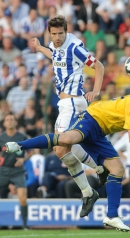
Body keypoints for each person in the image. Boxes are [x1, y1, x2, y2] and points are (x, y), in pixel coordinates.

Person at [6, 85, 130, 231]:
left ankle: (112, 216)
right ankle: (21, 145)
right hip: (92, 119)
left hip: (101, 132)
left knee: (118, 169)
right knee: (67, 140)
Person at [29, 16, 107, 204]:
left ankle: (92, 183)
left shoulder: (74, 47)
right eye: (54, 34)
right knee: (61, 149)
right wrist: (40, 49)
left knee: (61, 148)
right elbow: (55, 56)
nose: (57, 37)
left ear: (66, 31)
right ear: (49, 32)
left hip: (73, 102)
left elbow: (99, 66)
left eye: (60, 33)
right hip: (64, 104)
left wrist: (95, 91)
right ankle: (98, 173)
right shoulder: (54, 45)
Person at [0, 112, 30, 229]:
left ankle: (25, 226)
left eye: (12, 119)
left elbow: (30, 153)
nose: (10, 121)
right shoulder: (1, 138)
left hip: (18, 171)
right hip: (3, 171)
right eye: (8, 120)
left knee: (22, 198)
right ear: (5, 123)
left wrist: (23, 159)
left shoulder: (22, 137)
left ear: (16, 122)